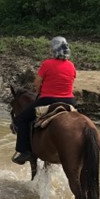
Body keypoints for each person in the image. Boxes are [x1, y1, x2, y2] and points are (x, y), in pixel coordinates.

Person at [12, 36, 77, 167]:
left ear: (54, 50)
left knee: (22, 119)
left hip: (48, 99)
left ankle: (24, 151)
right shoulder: (71, 65)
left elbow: (37, 84)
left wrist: (41, 89)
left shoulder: (47, 64)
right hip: (70, 101)